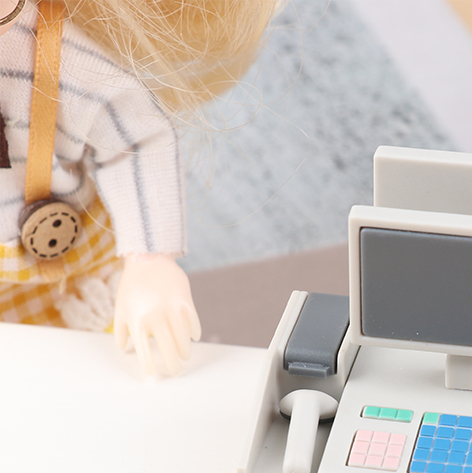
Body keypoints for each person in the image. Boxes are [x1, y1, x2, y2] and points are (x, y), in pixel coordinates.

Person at [0, 0, 276, 373]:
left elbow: (137, 138)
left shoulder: (52, 56)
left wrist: (151, 260)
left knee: (101, 372)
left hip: (62, 281)